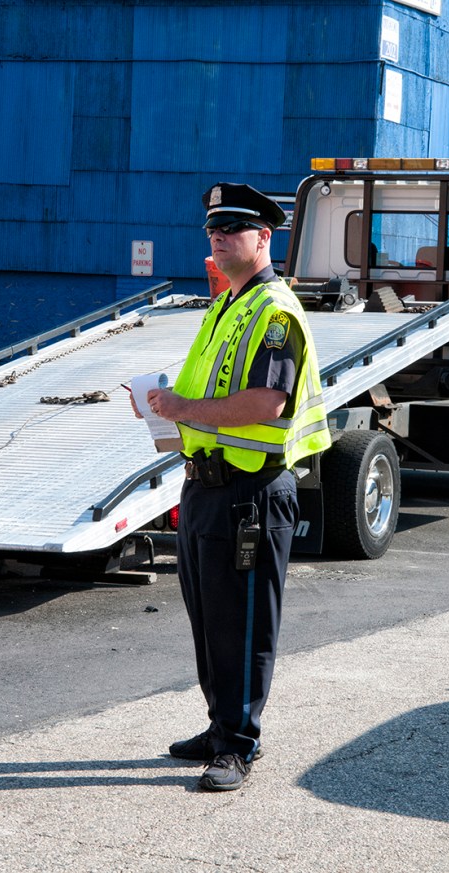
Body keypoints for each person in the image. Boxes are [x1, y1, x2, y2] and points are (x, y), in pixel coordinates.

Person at [133, 182, 331, 791]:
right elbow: (208, 392)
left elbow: (268, 403)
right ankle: (222, 726)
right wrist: (163, 406)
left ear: (264, 238)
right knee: (209, 618)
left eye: (233, 230)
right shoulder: (228, 304)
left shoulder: (273, 312)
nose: (219, 239)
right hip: (205, 488)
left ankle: (239, 745)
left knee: (242, 622)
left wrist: (185, 407)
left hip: (249, 492)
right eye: (214, 231)